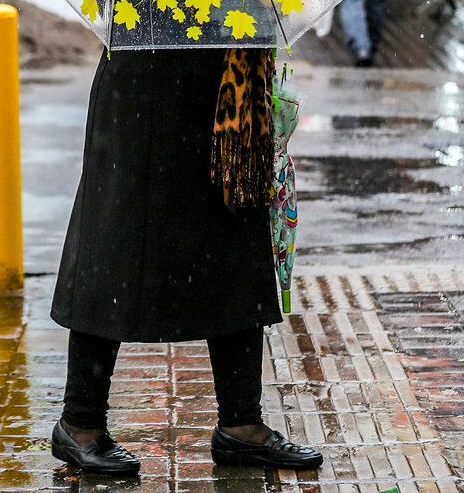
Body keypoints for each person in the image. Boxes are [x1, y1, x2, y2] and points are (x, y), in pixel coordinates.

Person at [49, 48, 322, 476]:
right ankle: (80, 424)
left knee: (235, 242)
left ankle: (241, 424)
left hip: (231, 83)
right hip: (143, 77)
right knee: (116, 245)